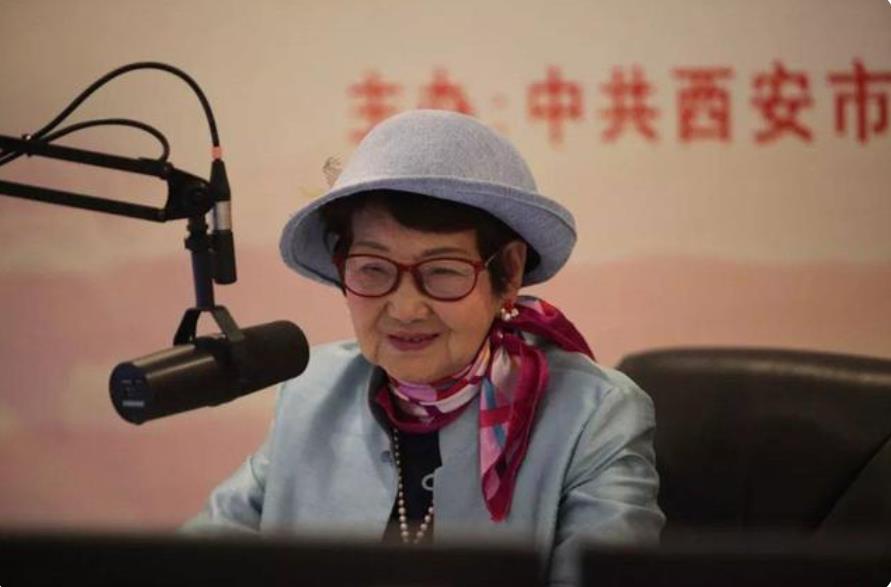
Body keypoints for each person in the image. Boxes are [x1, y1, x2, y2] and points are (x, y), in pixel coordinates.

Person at [183, 110, 664, 585]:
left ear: (509, 272)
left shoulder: (592, 417)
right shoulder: (311, 393)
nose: (406, 308)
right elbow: (199, 560)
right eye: (373, 269)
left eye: (443, 272)